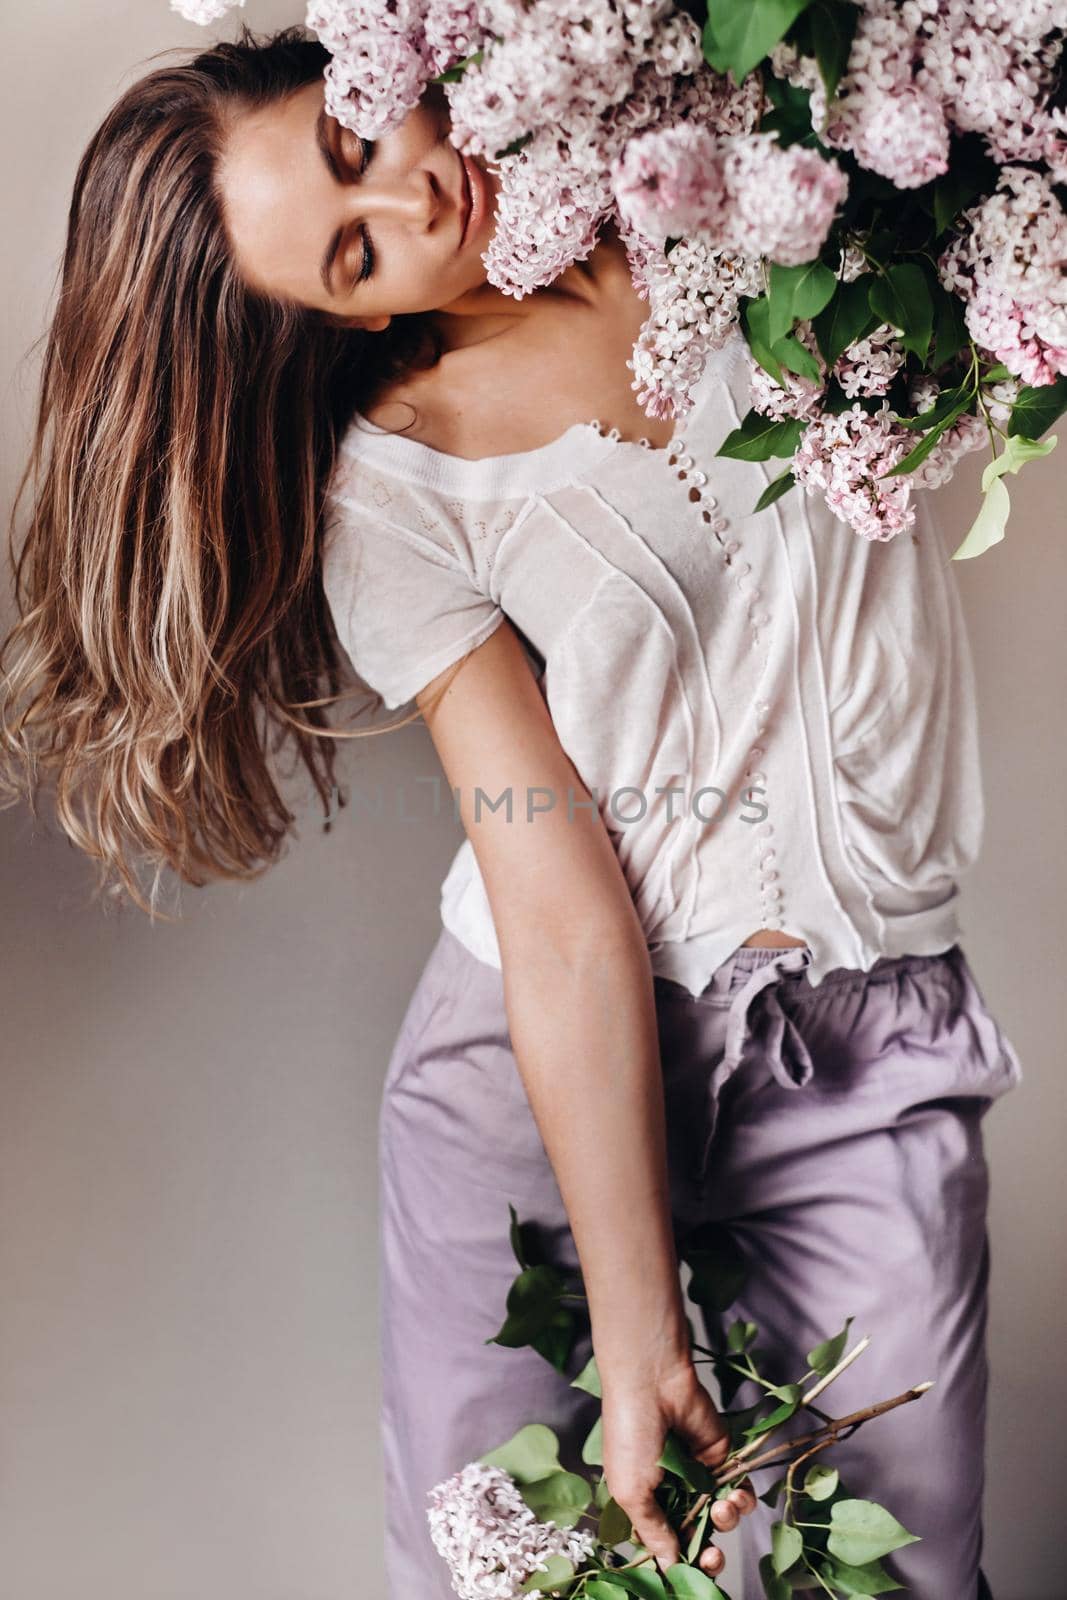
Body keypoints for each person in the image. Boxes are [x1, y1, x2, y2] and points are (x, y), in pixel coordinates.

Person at [0, 24, 1023, 1599]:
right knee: (521, 1577)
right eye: (352, 254)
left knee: (890, 1569)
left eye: (357, 144)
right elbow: (552, 904)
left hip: (860, 1041)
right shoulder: (391, 494)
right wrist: (634, 1334)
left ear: (373, 67)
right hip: (536, 1079)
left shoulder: (727, 172)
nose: (413, 200)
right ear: (344, 320)